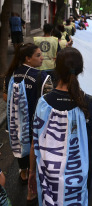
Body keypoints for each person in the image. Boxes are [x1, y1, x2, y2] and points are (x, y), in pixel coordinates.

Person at [28, 47, 92, 205]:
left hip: (49, 172)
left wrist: (31, 171)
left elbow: (35, 142)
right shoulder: (90, 103)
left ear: (56, 68)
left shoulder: (43, 103)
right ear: (80, 70)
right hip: (81, 173)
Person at [3, 43, 53, 205]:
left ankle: (23, 173)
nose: (42, 58)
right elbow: (49, 103)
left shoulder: (11, 74)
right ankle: (33, 180)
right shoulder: (43, 77)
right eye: (38, 55)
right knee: (34, 149)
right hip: (36, 124)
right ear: (28, 58)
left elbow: (5, 98)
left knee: (18, 143)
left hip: (15, 122)